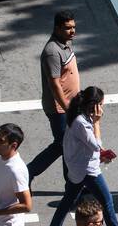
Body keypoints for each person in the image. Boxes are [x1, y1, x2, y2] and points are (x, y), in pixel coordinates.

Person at [46, 87, 118, 226]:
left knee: (68, 200)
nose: (102, 109)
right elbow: (95, 144)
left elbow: (87, 146)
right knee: (107, 201)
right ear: (95, 106)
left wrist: (100, 156)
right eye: (101, 105)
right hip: (86, 170)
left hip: (77, 168)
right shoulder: (82, 123)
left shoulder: (78, 117)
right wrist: (97, 122)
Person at [26, 11, 80, 184]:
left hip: (69, 105)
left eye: (73, 27)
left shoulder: (65, 44)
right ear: (57, 28)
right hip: (59, 109)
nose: (72, 31)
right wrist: (67, 108)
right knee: (64, 145)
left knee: (66, 145)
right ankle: (28, 173)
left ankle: (72, 181)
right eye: (67, 28)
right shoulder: (52, 52)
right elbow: (54, 84)